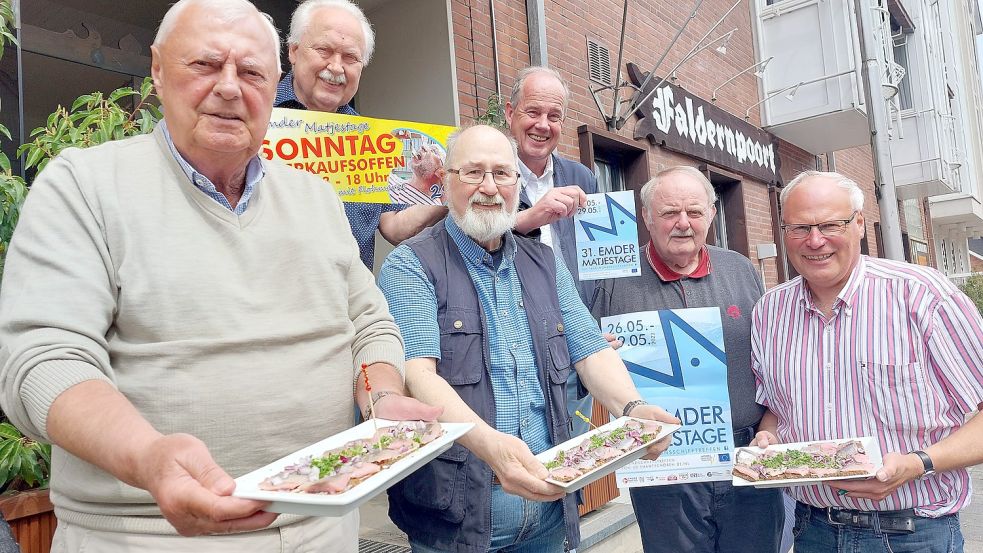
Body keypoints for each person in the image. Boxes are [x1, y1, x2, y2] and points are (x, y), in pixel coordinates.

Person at [0, 0, 439, 550]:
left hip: (325, 525)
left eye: (251, 72)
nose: (231, 88)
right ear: (158, 70)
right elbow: (44, 359)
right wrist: (147, 457)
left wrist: (381, 397)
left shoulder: (316, 197)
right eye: (206, 64)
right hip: (147, 532)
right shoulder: (84, 186)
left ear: (273, 82)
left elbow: (370, 324)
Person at [377, 124, 679, 553]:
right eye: (472, 173)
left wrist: (632, 407)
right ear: (445, 181)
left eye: (502, 173)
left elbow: (588, 348)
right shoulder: (410, 265)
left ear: (518, 184)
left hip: (550, 513)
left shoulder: (544, 261)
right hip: (456, 522)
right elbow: (418, 376)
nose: (489, 187)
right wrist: (493, 448)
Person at [750, 170, 983, 553]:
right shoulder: (769, 312)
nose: (815, 240)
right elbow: (778, 408)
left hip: (915, 532)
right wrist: (770, 437)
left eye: (830, 224)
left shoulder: (924, 297)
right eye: (799, 227)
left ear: (859, 223)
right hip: (813, 530)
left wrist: (918, 462)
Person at [590, 166, 785, 553]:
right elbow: (580, 361)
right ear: (646, 217)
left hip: (745, 457)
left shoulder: (741, 270)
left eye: (694, 212)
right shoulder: (610, 281)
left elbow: (772, 362)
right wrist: (597, 348)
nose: (683, 223)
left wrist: (773, 426)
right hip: (664, 468)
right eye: (669, 213)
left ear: (712, 215)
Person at [278, 0, 446, 270]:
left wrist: (448, 197)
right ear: (294, 51)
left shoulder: (370, 142)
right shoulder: (256, 119)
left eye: (350, 57)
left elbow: (393, 225)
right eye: (324, 50)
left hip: (349, 306)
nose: (336, 67)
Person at [506, 65, 613, 436]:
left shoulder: (582, 177)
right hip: (513, 346)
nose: (542, 124)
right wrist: (532, 217)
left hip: (571, 351)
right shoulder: (490, 172)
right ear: (509, 113)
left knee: (574, 458)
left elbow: (602, 262)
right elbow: (468, 236)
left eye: (554, 116)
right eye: (532, 112)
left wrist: (603, 322)